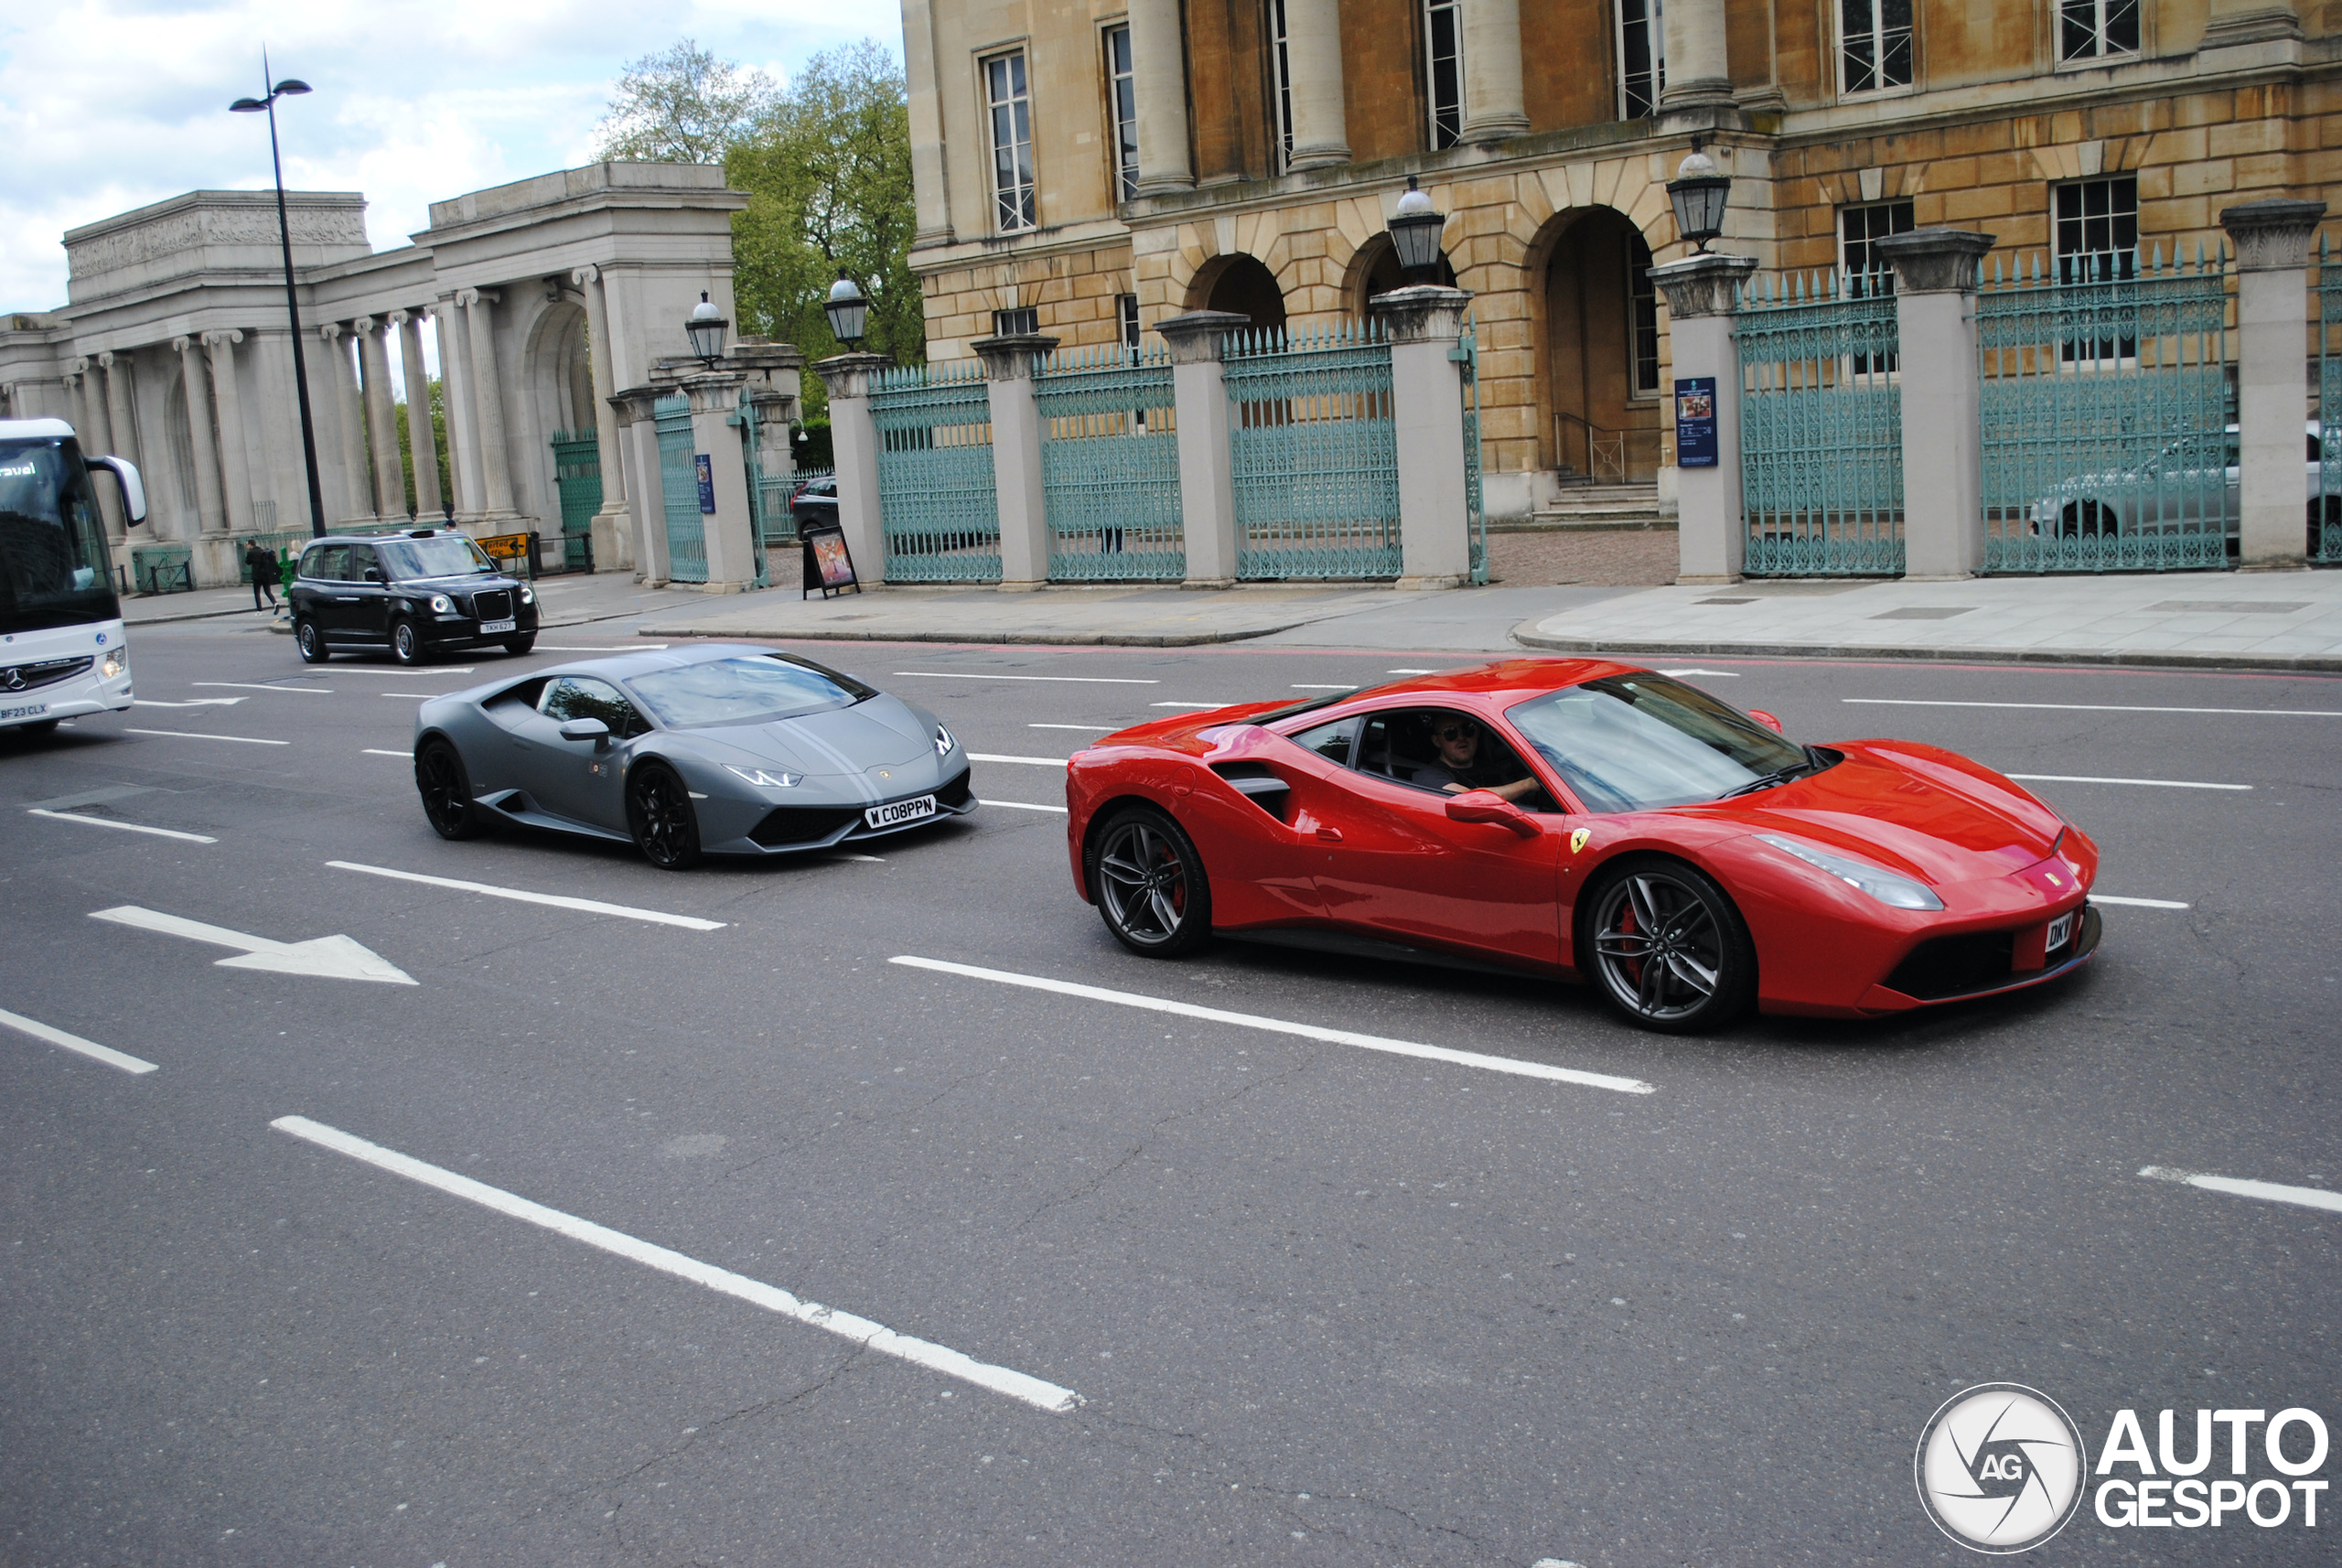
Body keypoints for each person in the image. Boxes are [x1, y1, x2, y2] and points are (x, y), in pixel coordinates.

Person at [1412, 714, 1544, 803]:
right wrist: (1529, 784)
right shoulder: (1428, 776)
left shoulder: (1493, 768)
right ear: (1437, 741)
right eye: (1450, 733)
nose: (1461, 737)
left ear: (1477, 733)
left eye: (1468, 729)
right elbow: (1473, 799)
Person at [244, 540, 280, 613]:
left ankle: (259, 609)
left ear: (250, 545)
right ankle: (275, 603)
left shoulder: (251, 553)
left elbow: (247, 562)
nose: (247, 546)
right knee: (267, 591)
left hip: (256, 575)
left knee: (257, 593)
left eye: (247, 545)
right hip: (265, 574)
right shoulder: (262, 551)